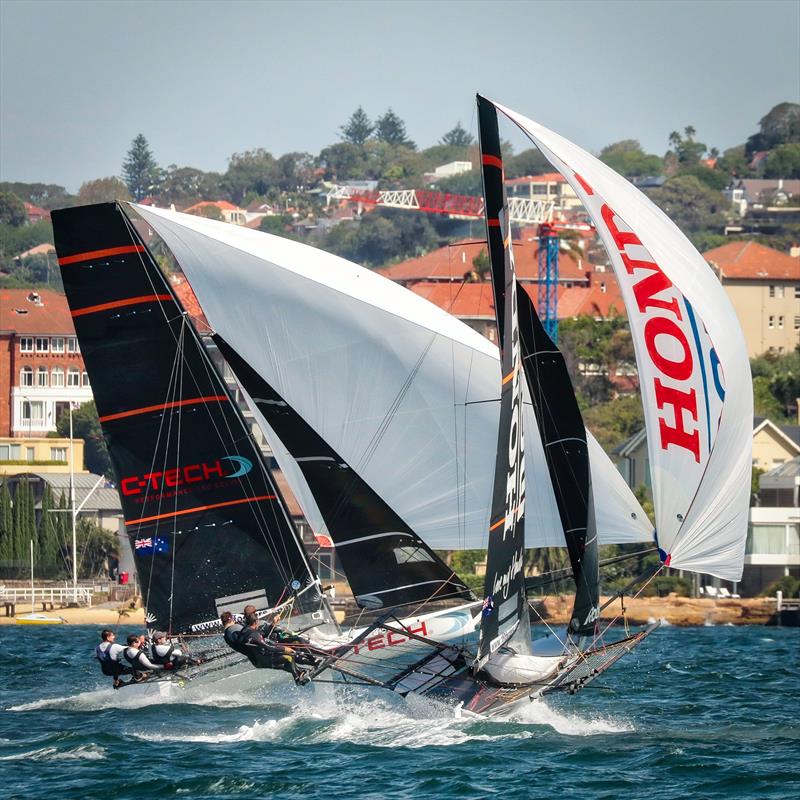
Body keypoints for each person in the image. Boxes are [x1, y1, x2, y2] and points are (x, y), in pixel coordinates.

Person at [237, 612, 308, 684]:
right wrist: (285, 649)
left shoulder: (245, 632)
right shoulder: (253, 634)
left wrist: (273, 623)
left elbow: (263, 635)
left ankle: (299, 672)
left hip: (258, 658)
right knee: (289, 657)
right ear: (255, 621)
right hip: (264, 658)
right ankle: (297, 678)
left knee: (286, 660)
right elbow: (268, 647)